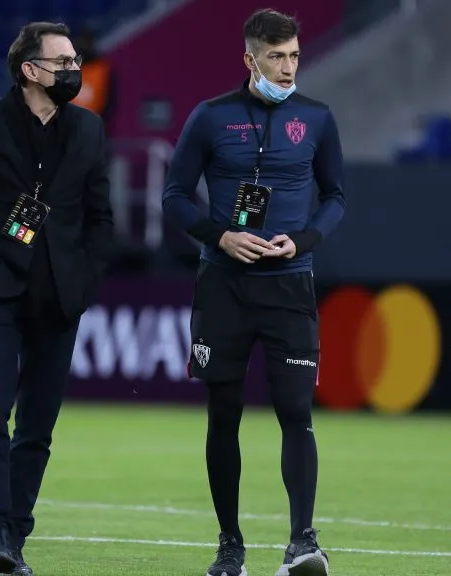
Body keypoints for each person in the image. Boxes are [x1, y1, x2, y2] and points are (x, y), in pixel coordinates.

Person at [161, 8, 345, 576]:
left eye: (293, 56)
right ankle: (230, 546)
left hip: (290, 284)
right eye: (275, 58)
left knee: (296, 410)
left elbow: (336, 197)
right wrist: (221, 235)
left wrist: (305, 240)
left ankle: (302, 543)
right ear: (250, 59)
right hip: (224, 286)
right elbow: (174, 196)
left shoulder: (317, 118)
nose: (288, 68)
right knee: (224, 414)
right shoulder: (211, 117)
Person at [0, 21, 114, 576]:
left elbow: (100, 217)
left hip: (59, 296)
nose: (73, 71)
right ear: (29, 70)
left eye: (75, 62)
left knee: (37, 425)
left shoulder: (88, 129)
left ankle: (14, 534)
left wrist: (84, 283)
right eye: (62, 62)